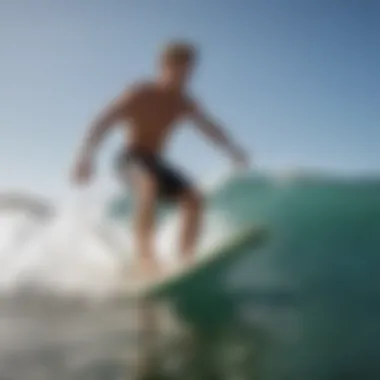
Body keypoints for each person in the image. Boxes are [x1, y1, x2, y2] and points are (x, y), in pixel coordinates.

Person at [71, 41, 249, 278]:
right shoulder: (140, 93)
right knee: (149, 184)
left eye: (188, 71)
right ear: (162, 66)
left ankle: (186, 261)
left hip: (155, 161)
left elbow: (209, 127)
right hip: (129, 159)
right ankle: (145, 260)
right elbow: (103, 121)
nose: (183, 77)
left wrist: (232, 149)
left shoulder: (184, 102)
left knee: (194, 199)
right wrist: (85, 156)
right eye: (178, 70)